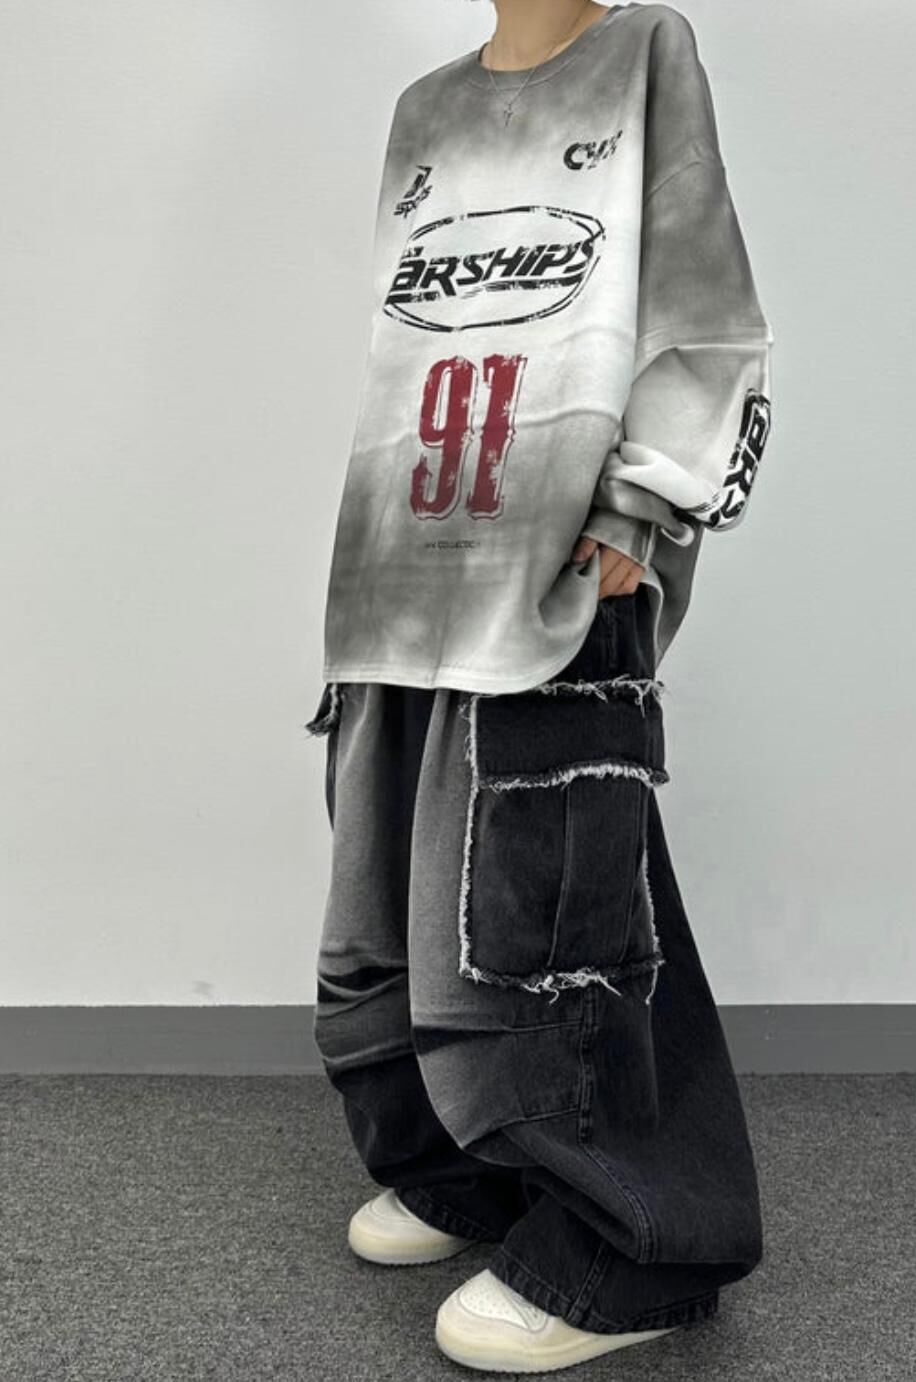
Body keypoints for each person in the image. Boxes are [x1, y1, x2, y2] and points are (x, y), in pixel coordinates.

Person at [304, 0, 774, 1371]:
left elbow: (708, 308)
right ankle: (468, 1175)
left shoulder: (644, 55)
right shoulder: (426, 111)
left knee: (548, 912)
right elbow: (410, 350)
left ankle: (636, 1247)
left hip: (564, 557)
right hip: (403, 557)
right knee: (390, 908)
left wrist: (643, 505)